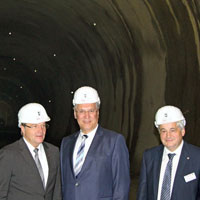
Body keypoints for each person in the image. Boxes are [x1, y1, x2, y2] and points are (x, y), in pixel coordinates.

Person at [60, 86, 130, 200]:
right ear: (75, 114)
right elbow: (64, 185)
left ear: (97, 112)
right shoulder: (66, 143)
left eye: (91, 111)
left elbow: (121, 187)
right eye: (82, 111)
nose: (86, 116)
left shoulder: (114, 141)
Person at [0, 103, 62, 200]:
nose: (40, 131)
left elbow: (56, 192)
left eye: (43, 125)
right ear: (22, 128)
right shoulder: (8, 154)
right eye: (34, 126)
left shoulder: (54, 152)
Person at [137, 105, 200, 200]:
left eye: (172, 130)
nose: (168, 135)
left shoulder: (197, 157)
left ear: (182, 131)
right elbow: (143, 194)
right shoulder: (149, 156)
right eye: (163, 131)